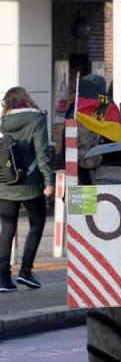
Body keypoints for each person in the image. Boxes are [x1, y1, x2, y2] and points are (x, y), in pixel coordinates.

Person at [0, 87, 53, 291]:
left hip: (5, 181)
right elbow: (42, 151)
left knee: (7, 229)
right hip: (30, 182)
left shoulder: (4, 121)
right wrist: (48, 180)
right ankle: (26, 272)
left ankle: (3, 279)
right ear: (26, 99)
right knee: (37, 223)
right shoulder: (37, 119)